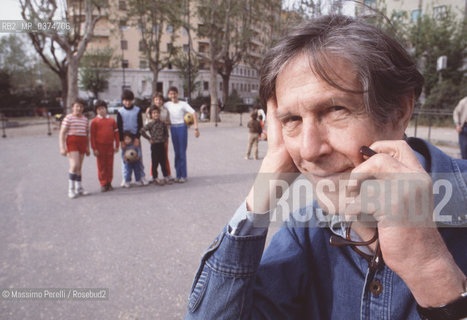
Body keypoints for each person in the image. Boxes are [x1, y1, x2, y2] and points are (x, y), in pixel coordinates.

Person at [185, 15, 467, 320]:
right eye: (292, 120)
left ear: (399, 111)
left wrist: (431, 271)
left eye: (335, 110)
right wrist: (267, 184)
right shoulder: (306, 231)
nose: (309, 150)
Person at [164, 86, 200, 183]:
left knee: (182, 152)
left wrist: (196, 128)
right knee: (176, 153)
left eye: (174, 93)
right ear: (168, 95)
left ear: (178, 94)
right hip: (173, 128)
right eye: (171, 94)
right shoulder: (167, 104)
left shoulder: (183, 104)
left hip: (181, 128)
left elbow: (194, 113)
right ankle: (178, 174)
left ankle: (183, 175)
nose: (173, 95)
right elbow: (156, 107)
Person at [59, 98, 90, 199]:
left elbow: (87, 135)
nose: (79, 108)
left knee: (79, 167)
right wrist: (62, 147)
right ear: (73, 107)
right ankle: (71, 189)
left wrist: (87, 147)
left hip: (82, 142)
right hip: (72, 142)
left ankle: (79, 188)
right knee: (74, 165)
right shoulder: (68, 118)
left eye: (81, 106)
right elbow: (62, 133)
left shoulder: (85, 119)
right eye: (77, 106)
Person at [117, 90, 148, 186]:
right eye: (125, 100)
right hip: (125, 139)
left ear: (132, 100)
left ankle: (141, 176)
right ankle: (125, 178)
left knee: (138, 157)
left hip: (135, 137)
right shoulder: (120, 112)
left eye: (129, 100)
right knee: (125, 159)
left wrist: (137, 138)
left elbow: (140, 125)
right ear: (122, 101)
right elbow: (119, 127)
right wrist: (121, 141)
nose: (127, 102)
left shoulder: (137, 110)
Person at [90, 100, 119, 192]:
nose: (101, 111)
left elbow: (116, 134)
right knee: (101, 165)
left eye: (102, 108)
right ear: (96, 111)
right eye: (99, 109)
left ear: (106, 109)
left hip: (110, 146)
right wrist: (94, 148)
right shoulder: (94, 122)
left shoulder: (112, 120)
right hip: (100, 147)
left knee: (109, 165)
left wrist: (117, 145)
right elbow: (92, 136)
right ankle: (103, 183)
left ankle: (109, 182)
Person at [140, 106, 171, 185]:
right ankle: (155, 177)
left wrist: (166, 141)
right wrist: (149, 138)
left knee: (163, 161)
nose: (156, 114)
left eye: (157, 112)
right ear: (151, 115)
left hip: (161, 144)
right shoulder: (150, 124)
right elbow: (142, 131)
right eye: (154, 113)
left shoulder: (162, 123)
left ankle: (165, 176)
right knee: (155, 162)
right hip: (154, 145)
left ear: (159, 113)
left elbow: (166, 133)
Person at [146, 92, 174, 182]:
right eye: (156, 99)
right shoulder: (149, 110)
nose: (158, 101)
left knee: (164, 156)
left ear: (163, 101)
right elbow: (146, 123)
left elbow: (169, 122)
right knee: (154, 157)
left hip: (163, 136)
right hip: (154, 137)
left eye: (160, 99)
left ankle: (167, 174)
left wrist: (163, 122)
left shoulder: (165, 110)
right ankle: (153, 175)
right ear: (154, 101)